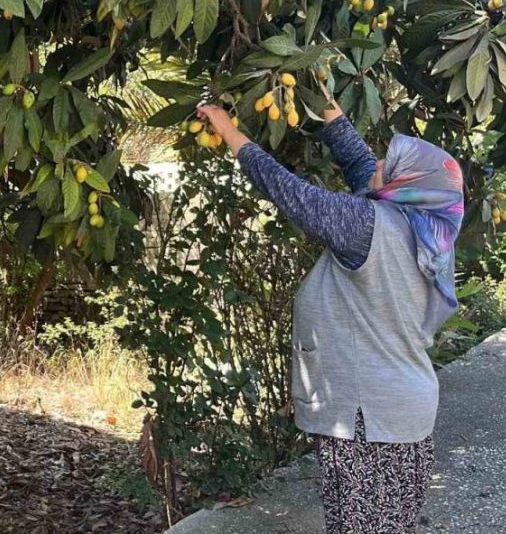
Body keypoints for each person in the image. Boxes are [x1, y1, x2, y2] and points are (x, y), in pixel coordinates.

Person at [196, 100, 464, 534]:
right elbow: (362, 167)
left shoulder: (365, 225)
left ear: (404, 182)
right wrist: (328, 107)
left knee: (357, 526)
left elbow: (290, 192)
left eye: (389, 163)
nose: (376, 162)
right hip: (406, 406)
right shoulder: (430, 228)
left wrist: (229, 131)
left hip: (366, 415)